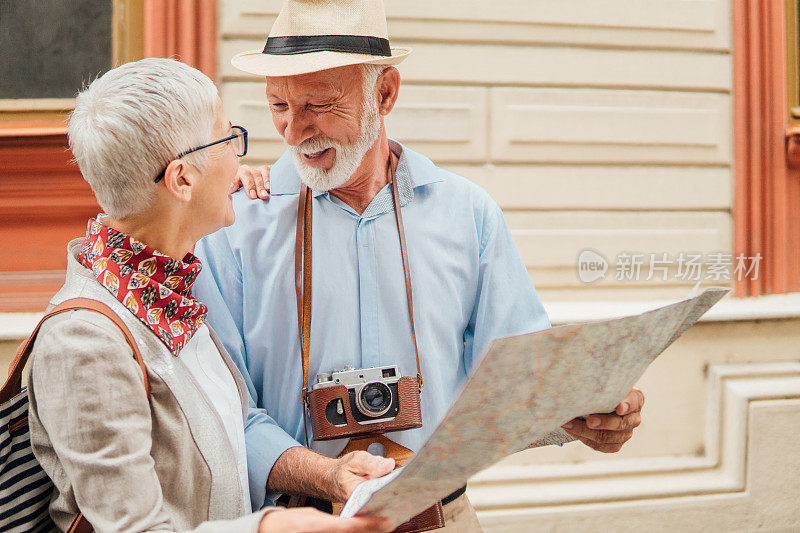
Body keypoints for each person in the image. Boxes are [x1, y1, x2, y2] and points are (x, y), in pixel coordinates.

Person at [195, 0, 645, 529]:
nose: (293, 132)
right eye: (278, 106)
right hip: (298, 523)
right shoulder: (234, 226)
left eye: (318, 104)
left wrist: (582, 414)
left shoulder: (467, 214)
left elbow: (515, 383)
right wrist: (325, 476)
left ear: (384, 94)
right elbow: (223, 414)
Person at [26, 57, 391, 533]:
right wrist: (266, 529)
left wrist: (330, 475)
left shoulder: (168, 292)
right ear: (182, 179)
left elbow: (231, 443)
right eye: (228, 138)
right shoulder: (84, 343)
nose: (243, 159)